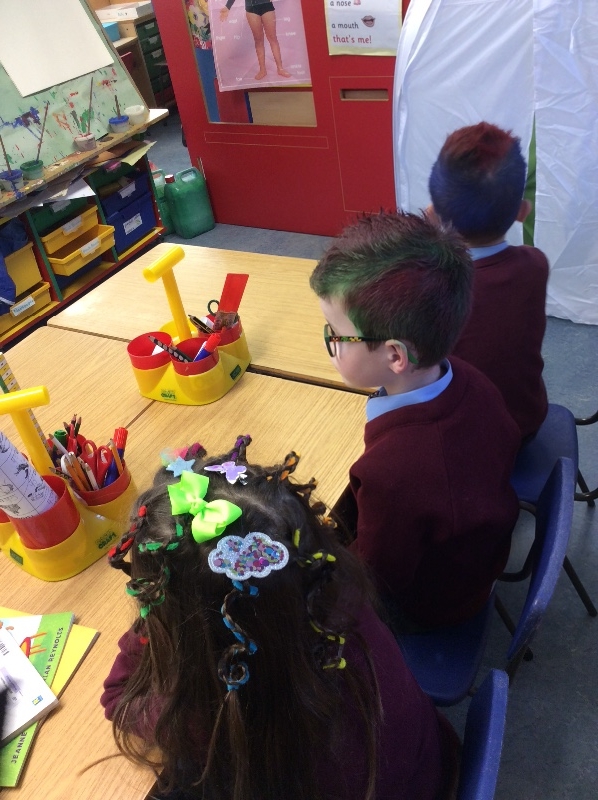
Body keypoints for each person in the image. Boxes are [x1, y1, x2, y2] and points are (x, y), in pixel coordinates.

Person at [101, 437, 460, 800]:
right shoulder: (339, 594)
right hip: (433, 769)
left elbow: (117, 698)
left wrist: (159, 624)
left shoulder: (210, 713)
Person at [309, 211, 520, 632]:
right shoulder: (468, 377)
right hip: (475, 551)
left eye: (336, 334)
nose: (330, 344)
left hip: (437, 603)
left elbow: (375, 577)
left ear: (395, 356)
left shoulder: (392, 473)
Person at [428, 121, 549, 440]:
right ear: (522, 212)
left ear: (433, 213)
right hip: (527, 422)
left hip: (464, 437)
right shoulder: (536, 265)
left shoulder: (430, 284)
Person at [220, 1, 291, 81]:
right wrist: (228, 6)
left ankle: (280, 68)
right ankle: (262, 70)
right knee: (258, 40)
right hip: (251, 8)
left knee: (273, 38)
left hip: (266, 5)